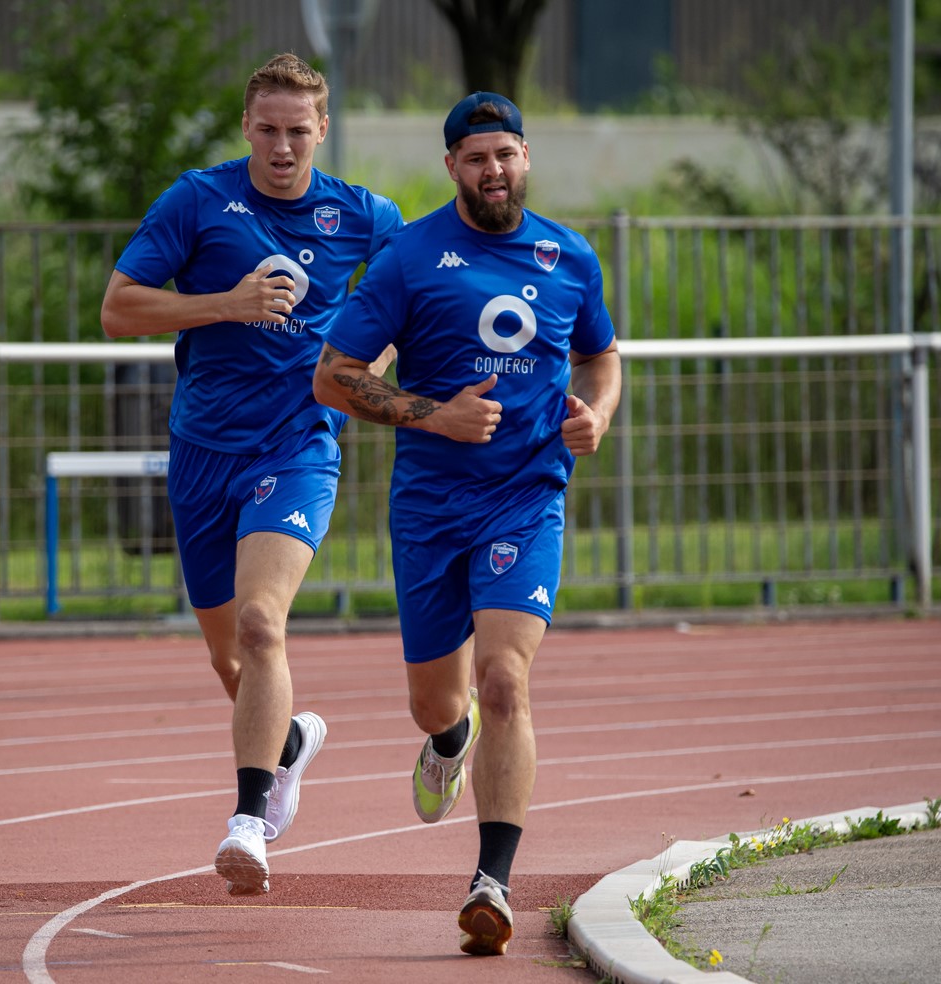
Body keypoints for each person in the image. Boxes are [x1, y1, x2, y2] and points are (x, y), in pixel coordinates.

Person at [312, 91, 621, 956]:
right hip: (430, 507)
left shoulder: (571, 256)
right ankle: (449, 742)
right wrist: (432, 415)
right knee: (438, 702)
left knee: (505, 680)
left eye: (508, 154)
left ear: (527, 158)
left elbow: (603, 353)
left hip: (526, 496)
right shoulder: (411, 257)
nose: (495, 171)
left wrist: (597, 412)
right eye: (477, 157)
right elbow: (333, 377)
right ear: (451, 166)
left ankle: (492, 882)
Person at [100, 53, 403, 896]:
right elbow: (118, 308)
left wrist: (364, 370)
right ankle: (291, 744)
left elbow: (413, 306)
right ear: (247, 127)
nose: (281, 147)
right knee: (233, 659)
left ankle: (247, 822)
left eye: (297, 132)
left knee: (265, 626)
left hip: (297, 448)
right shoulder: (198, 201)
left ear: (323, 131)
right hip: (201, 455)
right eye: (267, 130)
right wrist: (225, 304)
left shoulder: (365, 215)